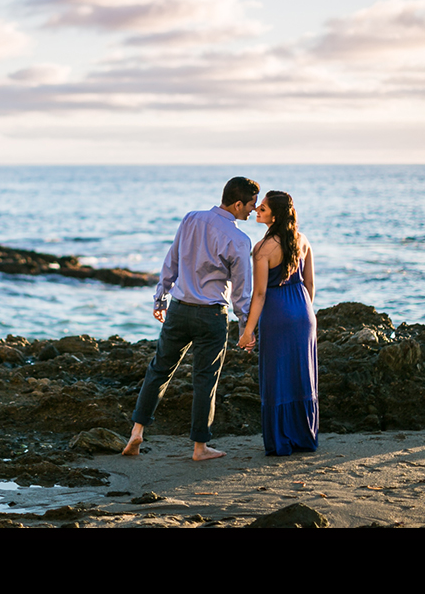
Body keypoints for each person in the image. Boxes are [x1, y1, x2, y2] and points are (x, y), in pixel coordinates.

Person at [123, 176, 259, 461]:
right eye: (250, 205)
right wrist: (246, 327)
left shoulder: (191, 219)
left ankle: (137, 431)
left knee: (158, 370)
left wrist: (161, 296)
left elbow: (171, 259)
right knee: (204, 381)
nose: (251, 211)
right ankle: (200, 447)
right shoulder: (239, 239)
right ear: (237, 204)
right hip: (211, 316)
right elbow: (241, 292)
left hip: (179, 309)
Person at [237, 191, 318, 456]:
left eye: (263, 207)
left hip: (277, 313)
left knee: (277, 376)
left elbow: (259, 294)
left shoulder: (262, 249)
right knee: (301, 374)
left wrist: (248, 331)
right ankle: (304, 437)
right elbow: (309, 284)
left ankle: (281, 441)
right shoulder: (302, 240)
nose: (257, 209)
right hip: (303, 312)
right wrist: (305, 311)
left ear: (275, 215)